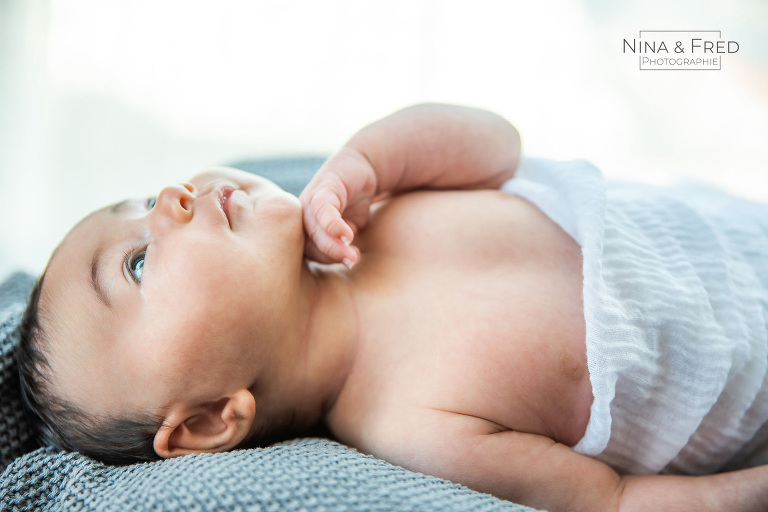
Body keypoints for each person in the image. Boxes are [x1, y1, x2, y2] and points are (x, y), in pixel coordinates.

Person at [17, 103, 768, 512]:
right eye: (139, 263)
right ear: (212, 421)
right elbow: (612, 502)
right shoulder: (415, 429)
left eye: (146, 199)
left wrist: (373, 157)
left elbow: (499, 144)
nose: (173, 199)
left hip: (734, 229)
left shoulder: (367, 201)